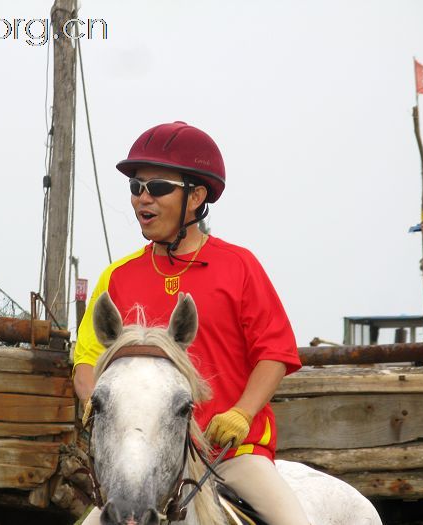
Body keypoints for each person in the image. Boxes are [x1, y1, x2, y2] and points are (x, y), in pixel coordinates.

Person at [73, 121, 309, 525]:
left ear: (196, 196)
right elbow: (87, 361)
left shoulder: (240, 267)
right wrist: (97, 405)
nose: (142, 198)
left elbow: (275, 353)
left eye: (158, 187)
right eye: (136, 187)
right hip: (143, 465)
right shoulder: (116, 278)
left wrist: (242, 413)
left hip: (231, 457)